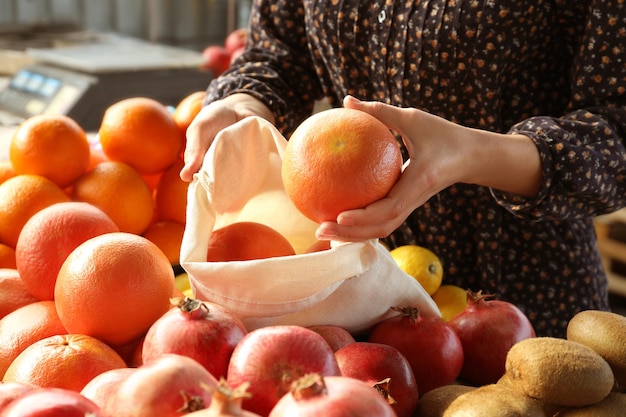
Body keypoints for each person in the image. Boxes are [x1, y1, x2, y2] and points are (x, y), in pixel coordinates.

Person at [180, 0, 626, 338]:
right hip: (353, 290)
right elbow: (278, 54)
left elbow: (617, 129)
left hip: (524, 297)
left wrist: (471, 153)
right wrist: (243, 103)